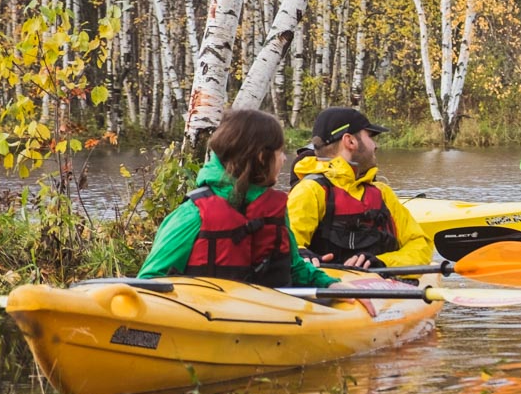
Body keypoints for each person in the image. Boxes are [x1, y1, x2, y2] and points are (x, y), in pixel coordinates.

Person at [138, 109, 342, 291]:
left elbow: (295, 267)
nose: (284, 159)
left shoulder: (274, 210)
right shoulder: (193, 214)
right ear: (262, 158)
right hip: (206, 321)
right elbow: (149, 280)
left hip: (270, 319)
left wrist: (331, 284)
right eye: (280, 152)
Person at [288, 107, 433, 270]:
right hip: (331, 289)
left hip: (381, 285)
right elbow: (287, 247)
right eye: (370, 137)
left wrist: (383, 262)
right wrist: (300, 255)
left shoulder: (383, 193)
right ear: (350, 141)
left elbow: (420, 246)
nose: (375, 145)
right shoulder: (310, 191)